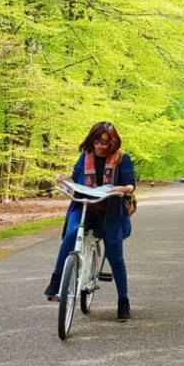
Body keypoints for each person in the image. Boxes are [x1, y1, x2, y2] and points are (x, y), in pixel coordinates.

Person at [46, 122, 136, 322]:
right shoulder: (85, 156)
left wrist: (121, 189)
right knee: (71, 235)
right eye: (96, 140)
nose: (100, 145)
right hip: (84, 207)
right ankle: (56, 280)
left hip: (109, 211)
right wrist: (65, 179)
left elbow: (131, 184)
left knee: (115, 257)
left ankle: (123, 301)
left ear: (112, 141)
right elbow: (76, 179)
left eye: (104, 141)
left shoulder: (122, 159)